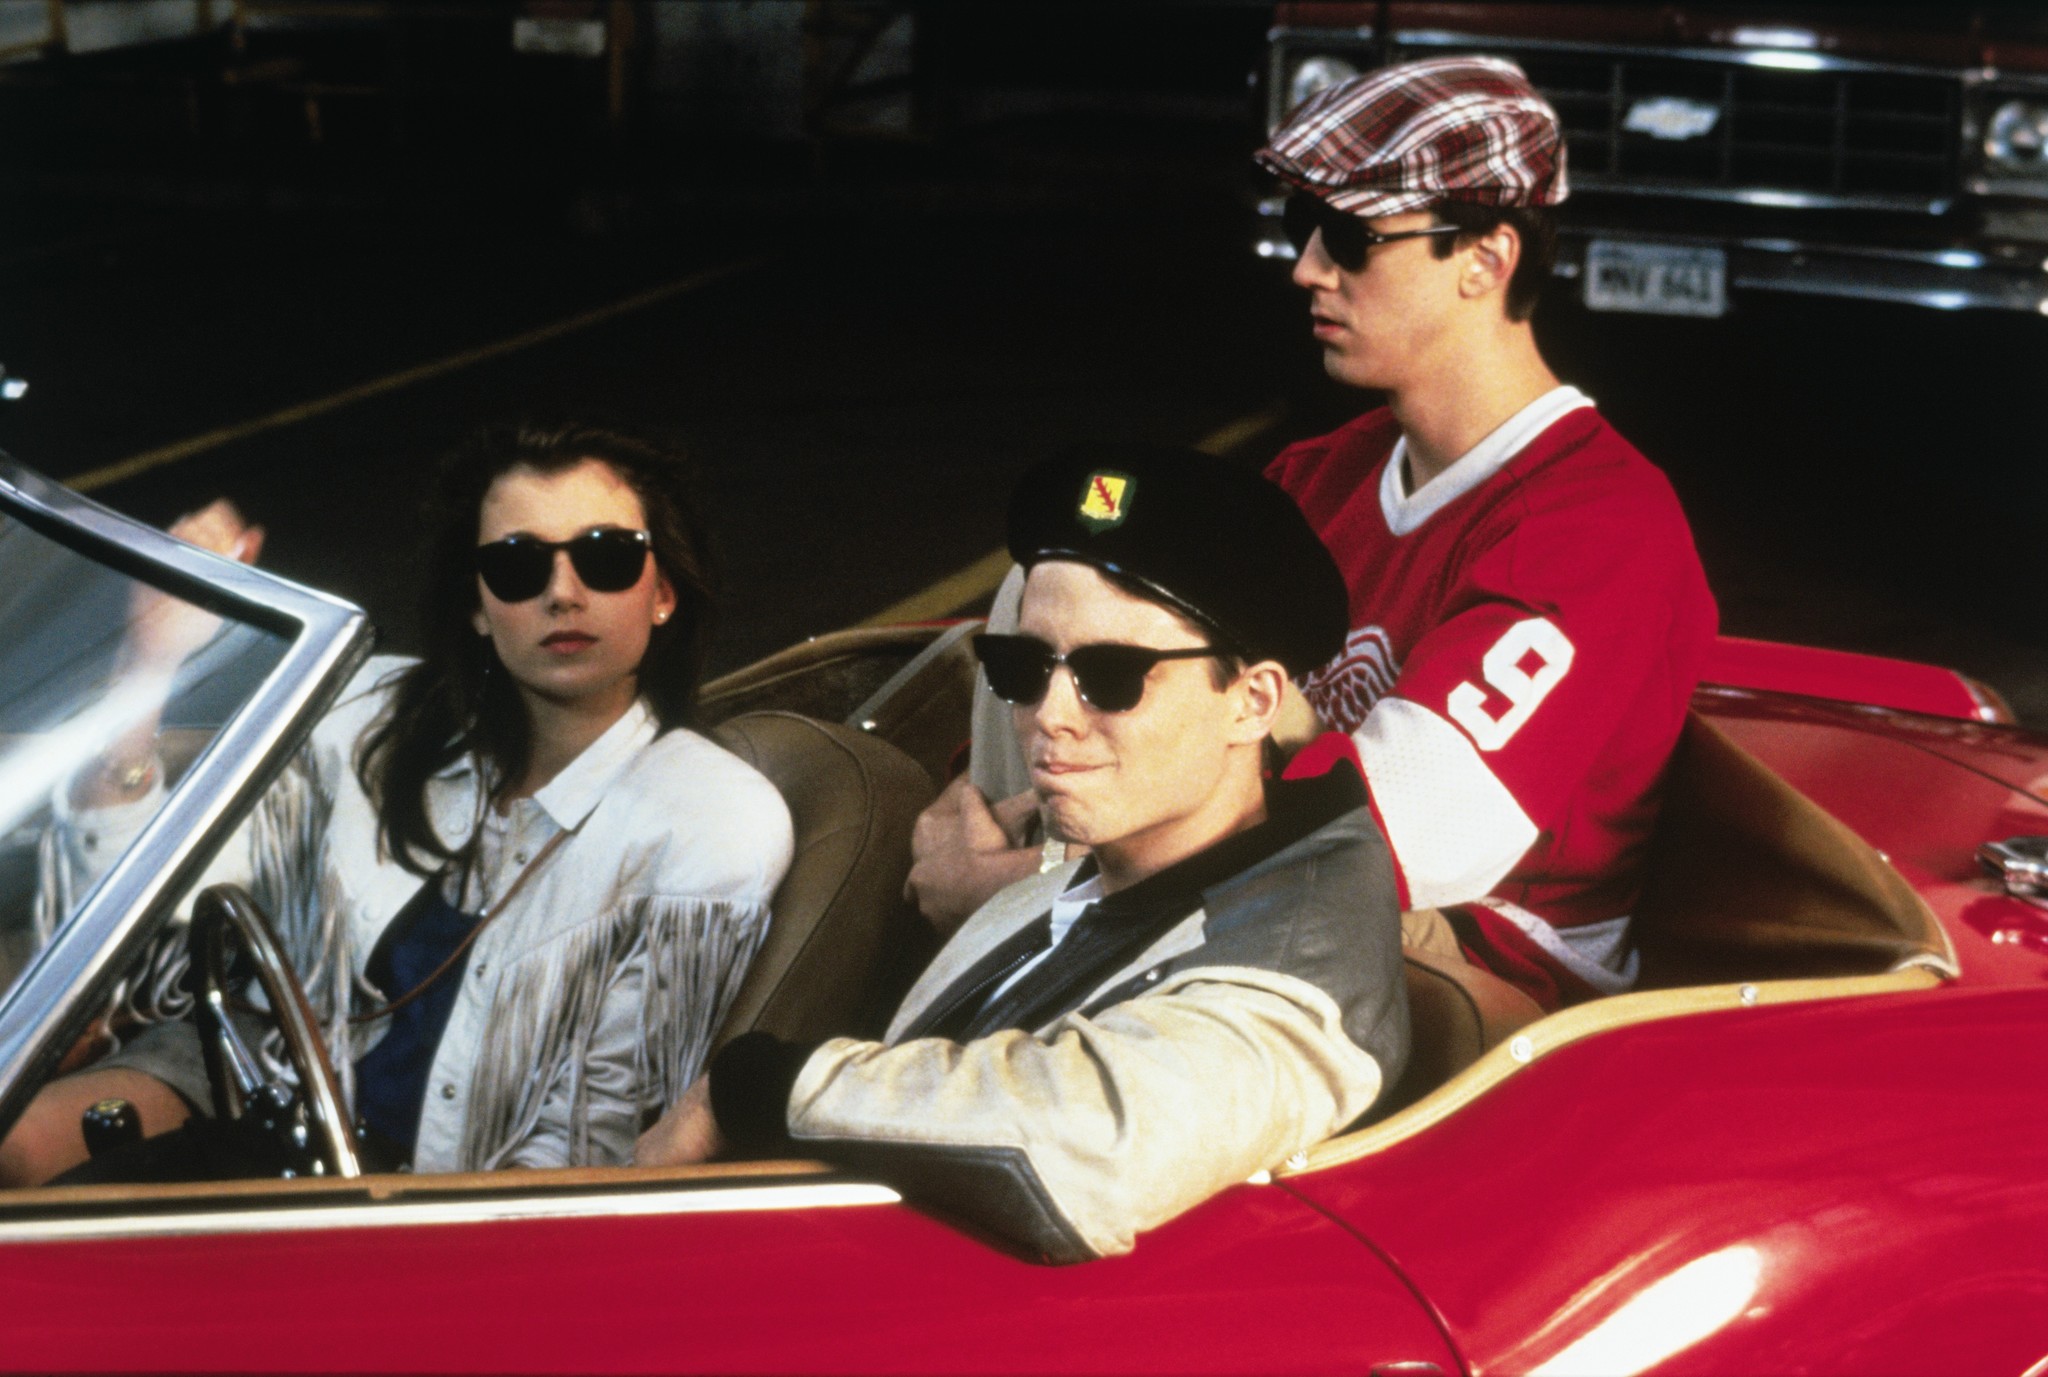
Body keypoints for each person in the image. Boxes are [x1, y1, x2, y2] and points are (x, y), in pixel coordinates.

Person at [912, 55, 1717, 1012]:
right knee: (1049, 587)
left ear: (1487, 260)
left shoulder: (1599, 530)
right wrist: (1007, 835)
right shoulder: (1324, 473)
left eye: (1351, 237)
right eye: (1304, 228)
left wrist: (1018, 894)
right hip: (1241, 886)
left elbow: (1388, 842)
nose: (1307, 268)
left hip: (1458, 963)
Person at [638, 446, 1407, 1264]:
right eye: (1026, 665)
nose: (1051, 714)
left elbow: (1092, 1148)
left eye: (1113, 675)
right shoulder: (1098, 870)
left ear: (1252, 702)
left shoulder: (1296, 975)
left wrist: (751, 1089)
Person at [0, 423, 794, 1185]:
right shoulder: (378, 710)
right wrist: (150, 661)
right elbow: (151, 917)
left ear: (663, 592)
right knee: (17, 1149)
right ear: (479, 605)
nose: (563, 591)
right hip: (254, 1079)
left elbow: (595, 1139)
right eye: (518, 565)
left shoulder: (713, 820)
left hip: (433, 1181)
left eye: (607, 556)